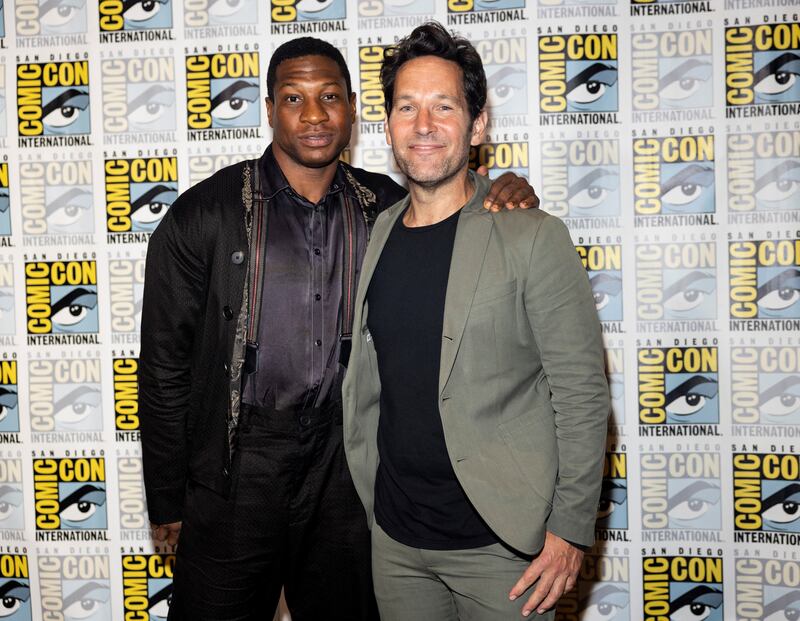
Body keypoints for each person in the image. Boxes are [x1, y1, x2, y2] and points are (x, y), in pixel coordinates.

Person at [139, 36, 537, 621]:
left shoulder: (387, 205)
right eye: (293, 98)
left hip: (344, 466)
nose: (314, 114)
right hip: (236, 469)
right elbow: (163, 363)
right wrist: (169, 492)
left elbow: (457, 211)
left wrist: (505, 189)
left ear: (352, 108)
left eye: (329, 96)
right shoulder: (207, 212)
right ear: (270, 109)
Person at [342, 22, 609, 620]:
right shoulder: (378, 232)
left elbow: (582, 392)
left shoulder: (532, 236)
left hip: (504, 551)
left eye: (444, 106)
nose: (425, 125)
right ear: (387, 126)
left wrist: (569, 531)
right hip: (397, 544)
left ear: (478, 123)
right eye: (407, 107)